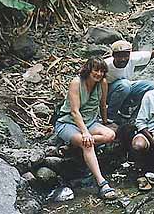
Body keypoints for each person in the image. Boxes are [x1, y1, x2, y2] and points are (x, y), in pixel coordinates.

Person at [54, 57, 118, 200]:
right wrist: (85, 133)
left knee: (110, 135)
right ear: (89, 70)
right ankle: (102, 183)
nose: (99, 74)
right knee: (87, 143)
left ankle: (72, 144)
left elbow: (102, 105)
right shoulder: (76, 82)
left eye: (102, 71)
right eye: (96, 70)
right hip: (68, 123)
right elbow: (74, 111)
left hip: (90, 122)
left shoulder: (103, 83)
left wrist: (106, 122)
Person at [105, 38, 154, 120]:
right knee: (124, 85)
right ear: (113, 55)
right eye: (119, 56)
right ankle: (110, 115)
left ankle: (129, 109)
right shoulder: (106, 64)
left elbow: (151, 54)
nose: (123, 59)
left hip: (126, 88)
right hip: (109, 93)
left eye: (125, 56)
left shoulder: (132, 58)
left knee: (151, 86)